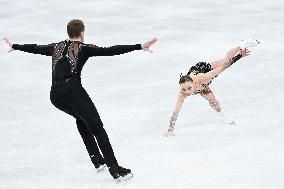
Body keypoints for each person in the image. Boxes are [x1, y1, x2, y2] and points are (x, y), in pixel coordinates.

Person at [3, 19, 157, 182]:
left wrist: (15, 46)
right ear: (82, 33)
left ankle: (97, 160)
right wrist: (138, 46)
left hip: (55, 95)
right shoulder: (83, 48)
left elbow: (35, 48)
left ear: (68, 33)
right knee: (98, 128)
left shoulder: (55, 47)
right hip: (72, 90)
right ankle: (115, 169)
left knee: (81, 118)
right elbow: (111, 50)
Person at [163, 39, 260, 137]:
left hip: (203, 69)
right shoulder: (182, 92)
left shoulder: (203, 78)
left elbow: (222, 68)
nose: (187, 92)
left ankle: (241, 45)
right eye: (184, 89)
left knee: (225, 60)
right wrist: (170, 130)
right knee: (212, 100)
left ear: (192, 83)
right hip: (200, 86)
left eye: (189, 88)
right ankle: (222, 113)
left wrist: (239, 56)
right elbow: (176, 110)